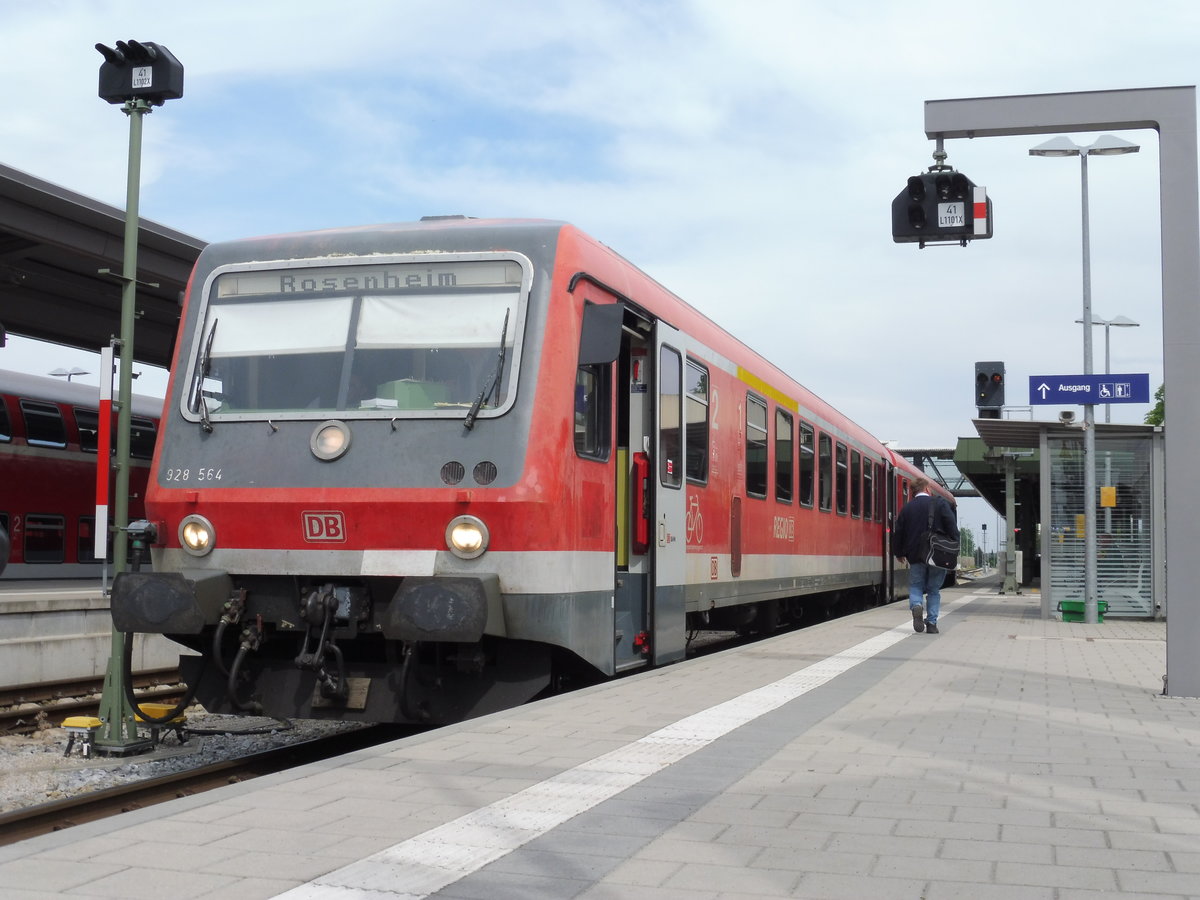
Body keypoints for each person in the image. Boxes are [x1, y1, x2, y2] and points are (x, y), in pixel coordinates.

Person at [892, 477, 958, 634]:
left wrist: (899, 553)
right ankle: (932, 624)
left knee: (916, 585)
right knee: (933, 590)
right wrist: (953, 550)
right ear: (927, 489)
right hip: (937, 555)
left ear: (913, 491)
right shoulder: (940, 504)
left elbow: (898, 533)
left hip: (915, 555)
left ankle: (916, 605)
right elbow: (953, 529)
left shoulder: (907, 508)